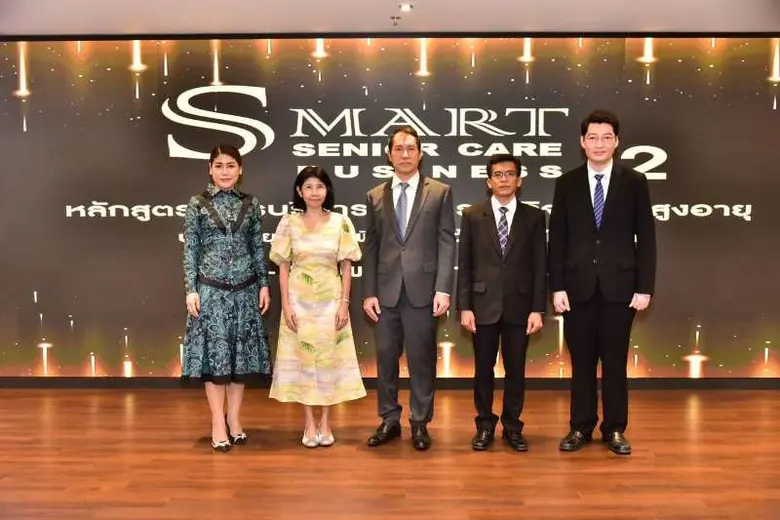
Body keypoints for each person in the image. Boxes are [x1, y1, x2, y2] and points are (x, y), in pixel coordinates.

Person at [548, 109, 656, 456]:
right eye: (592, 138)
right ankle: (580, 427)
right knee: (581, 364)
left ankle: (614, 429)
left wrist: (644, 287)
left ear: (616, 142)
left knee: (614, 362)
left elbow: (647, 237)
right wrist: (557, 286)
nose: (599, 144)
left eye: (606, 137)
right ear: (582, 142)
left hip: (619, 290)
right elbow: (558, 239)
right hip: (576, 289)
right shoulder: (567, 183)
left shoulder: (634, 181)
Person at [362, 126, 456, 451]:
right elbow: (371, 246)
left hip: (424, 291)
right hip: (385, 292)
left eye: (411, 148)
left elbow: (447, 242)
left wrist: (443, 288)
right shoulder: (375, 195)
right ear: (389, 155)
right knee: (386, 359)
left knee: (422, 360)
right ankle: (389, 419)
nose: (405, 154)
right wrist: (368, 292)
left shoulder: (440, 192)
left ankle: (419, 422)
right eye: (398, 149)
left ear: (420, 153)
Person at [181, 144, 272, 453]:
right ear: (210, 169)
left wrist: (264, 284)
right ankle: (217, 423)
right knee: (216, 361)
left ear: (240, 169)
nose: (224, 171)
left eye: (230, 165)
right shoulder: (197, 203)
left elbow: (257, 247)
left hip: (246, 291)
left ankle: (233, 419)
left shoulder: (250, 203)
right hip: (211, 291)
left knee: (239, 360)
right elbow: (191, 249)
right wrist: (191, 289)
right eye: (218, 165)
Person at [268, 166, 366, 448]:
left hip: (330, 303)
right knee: (304, 363)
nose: (314, 192)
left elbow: (346, 266)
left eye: (319, 186)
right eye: (308, 187)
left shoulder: (340, 222)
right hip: (298, 302)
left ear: (327, 190)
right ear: (300, 192)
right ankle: (309, 422)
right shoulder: (289, 222)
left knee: (327, 363)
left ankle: (326, 422)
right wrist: (286, 305)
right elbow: (283, 267)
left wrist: (344, 304)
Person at [457, 153, 547, 452]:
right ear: (489, 181)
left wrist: (538, 308)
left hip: (520, 307)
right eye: (498, 174)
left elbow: (540, 266)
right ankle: (484, 425)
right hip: (482, 306)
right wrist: (464, 306)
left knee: (515, 371)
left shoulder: (534, 217)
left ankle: (512, 426)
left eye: (510, 174)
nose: (504, 179)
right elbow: (465, 264)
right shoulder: (472, 215)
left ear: (519, 180)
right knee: (483, 370)